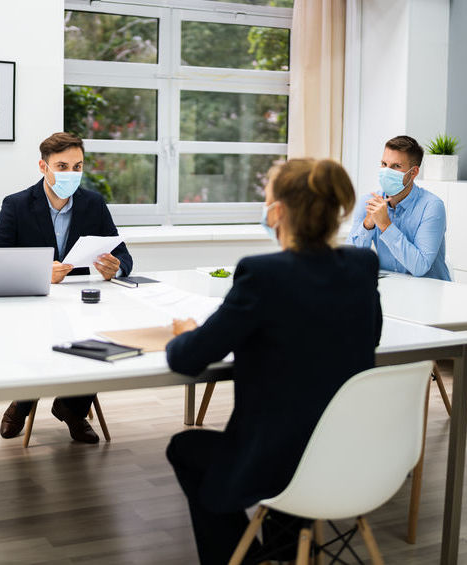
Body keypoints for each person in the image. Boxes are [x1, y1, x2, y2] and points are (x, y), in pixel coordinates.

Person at [165, 158, 383, 565]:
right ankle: (282, 553)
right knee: (295, 431)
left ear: (278, 211)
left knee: (185, 447)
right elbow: (371, 336)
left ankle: (249, 560)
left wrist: (187, 333)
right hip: (352, 455)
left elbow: (189, 359)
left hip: (280, 461)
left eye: (266, 200)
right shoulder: (361, 266)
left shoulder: (262, 274)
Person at [0, 132, 133, 444]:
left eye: (77, 167)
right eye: (62, 166)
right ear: (44, 166)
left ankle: (72, 409)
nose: (71, 174)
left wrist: (115, 267)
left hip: (81, 305)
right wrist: (41, 272)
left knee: (98, 338)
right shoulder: (17, 205)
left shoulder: (93, 204)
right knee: (34, 336)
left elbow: (124, 255)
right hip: (32, 306)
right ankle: (24, 399)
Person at [347, 135, 451, 281]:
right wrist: (367, 225)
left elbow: (420, 267)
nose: (386, 171)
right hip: (393, 288)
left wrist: (385, 225)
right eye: (384, 164)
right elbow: (349, 262)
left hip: (431, 291)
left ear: (413, 172)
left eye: (396, 166)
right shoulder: (368, 202)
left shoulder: (432, 207)